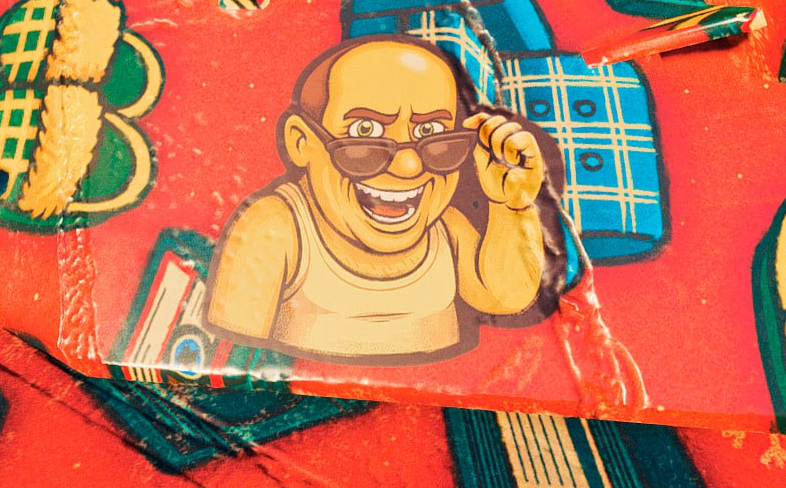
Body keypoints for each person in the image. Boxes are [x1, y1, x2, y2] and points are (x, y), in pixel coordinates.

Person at [209, 37, 550, 361]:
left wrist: (512, 206)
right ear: (302, 142)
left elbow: (505, 298)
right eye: (365, 130)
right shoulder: (277, 228)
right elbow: (231, 353)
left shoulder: (445, 228)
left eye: (430, 131)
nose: (409, 166)